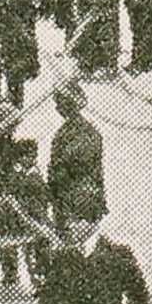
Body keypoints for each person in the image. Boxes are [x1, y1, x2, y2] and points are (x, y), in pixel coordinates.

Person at [44, 82, 106, 219]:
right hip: (65, 192)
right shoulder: (65, 130)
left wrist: (59, 170)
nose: (57, 107)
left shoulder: (86, 132)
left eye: (60, 102)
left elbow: (76, 160)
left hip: (80, 194)